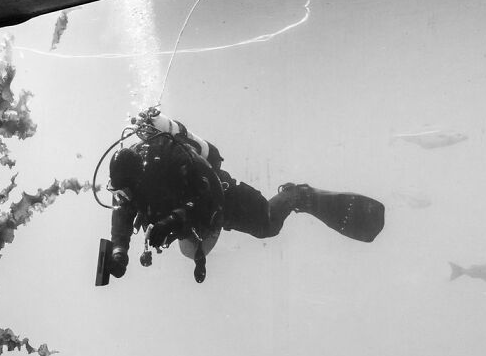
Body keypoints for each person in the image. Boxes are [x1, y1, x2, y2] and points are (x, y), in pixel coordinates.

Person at [106, 110, 385, 284]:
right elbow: (121, 217)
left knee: (268, 225)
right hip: (190, 219)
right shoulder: (129, 187)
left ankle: (296, 195)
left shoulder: (168, 162)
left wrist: (174, 220)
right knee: (190, 252)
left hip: (222, 196)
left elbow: (205, 194)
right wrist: (119, 254)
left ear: (139, 180)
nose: (124, 197)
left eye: (126, 190)